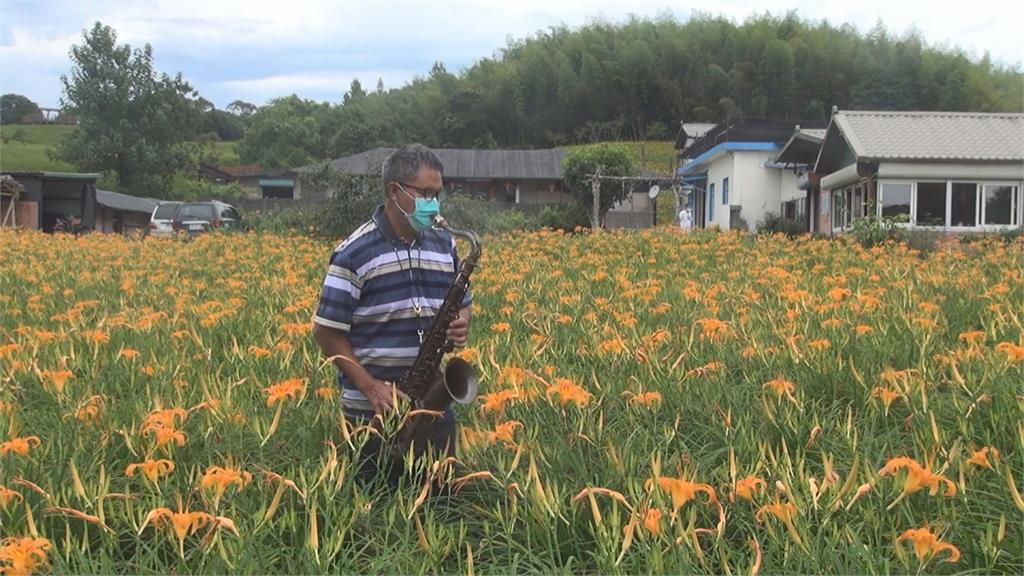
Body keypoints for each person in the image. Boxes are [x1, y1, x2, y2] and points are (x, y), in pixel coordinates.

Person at [312, 144, 472, 488]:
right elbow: (327, 333)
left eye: (438, 194)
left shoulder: (445, 244)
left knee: (442, 506)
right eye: (425, 193)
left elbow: (463, 300)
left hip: (432, 403)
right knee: (376, 513)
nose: (434, 203)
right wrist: (370, 387)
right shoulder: (352, 252)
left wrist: (463, 321)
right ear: (394, 191)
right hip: (374, 413)